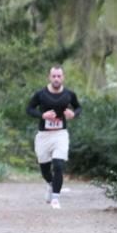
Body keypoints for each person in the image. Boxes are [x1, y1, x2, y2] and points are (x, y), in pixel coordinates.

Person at [26, 66, 82, 210]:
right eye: (54, 76)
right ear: (49, 77)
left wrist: (73, 114)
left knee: (58, 164)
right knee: (45, 169)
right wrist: (42, 115)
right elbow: (29, 109)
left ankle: (55, 198)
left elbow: (78, 107)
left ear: (63, 77)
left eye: (59, 76)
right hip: (44, 135)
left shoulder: (69, 94)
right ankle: (50, 184)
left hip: (60, 134)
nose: (56, 79)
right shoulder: (40, 94)